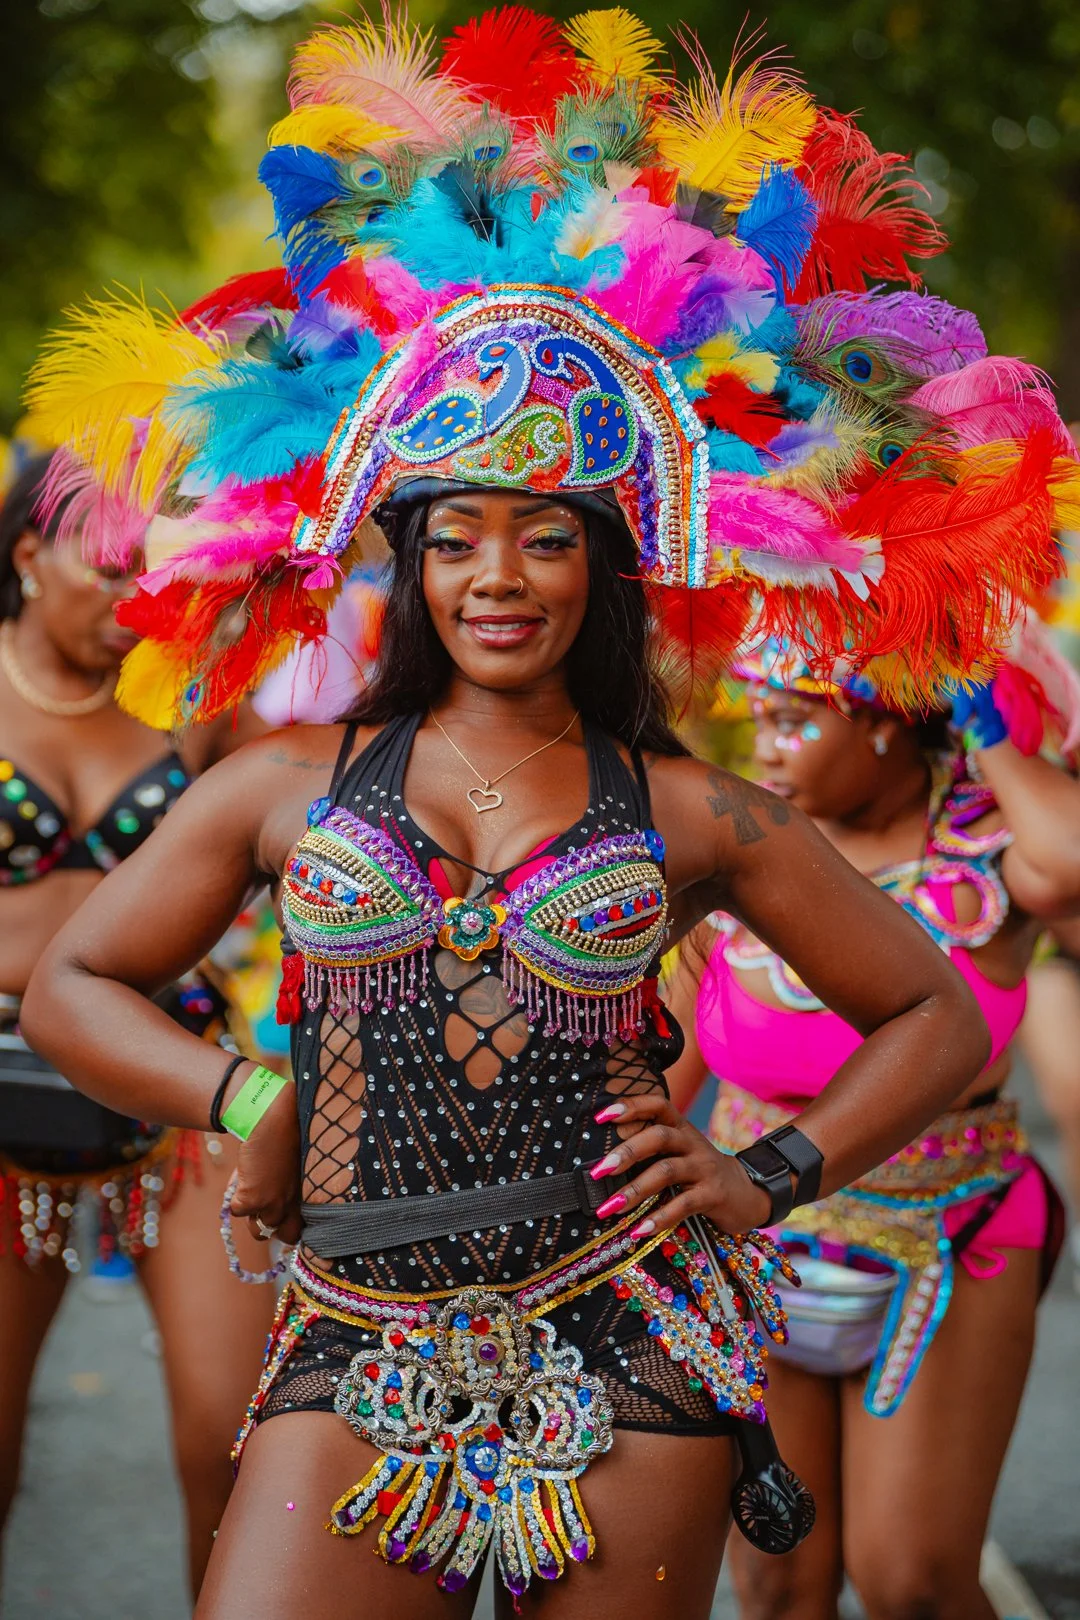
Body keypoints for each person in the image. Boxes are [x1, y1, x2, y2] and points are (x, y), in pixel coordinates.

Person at [17, 9, 1076, 1615]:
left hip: (630, 1335)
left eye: (544, 538)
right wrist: (243, 1103)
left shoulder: (697, 811)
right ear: (408, 562)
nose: (498, 578)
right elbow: (72, 985)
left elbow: (937, 1016)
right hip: (358, 1335)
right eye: (456, 540)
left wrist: (766, 1174)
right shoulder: (281, 787)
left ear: (608, 564)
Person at [666, 637, 1078, 1620]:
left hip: (952, 1235)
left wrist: (992, 739)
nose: (764, 749)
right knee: (778, 1583)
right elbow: (658, 1062)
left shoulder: (986, 851)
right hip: (752, 1247)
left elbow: (1068, 867)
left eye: (792, 722)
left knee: (915, 1586)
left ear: (887, 727)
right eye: (760, 721)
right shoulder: (738, 843)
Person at [0, 454, 275, 1595]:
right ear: (27, 555)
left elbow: (334, 796)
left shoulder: (200, 702)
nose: (135, 600)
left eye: (154, 575)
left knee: (235, 1439)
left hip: (181, 1099)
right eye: (109, 570)